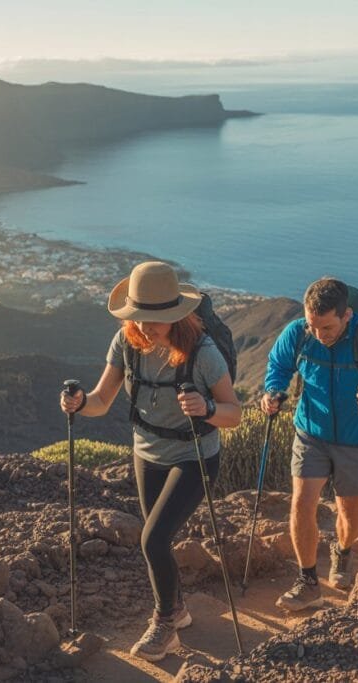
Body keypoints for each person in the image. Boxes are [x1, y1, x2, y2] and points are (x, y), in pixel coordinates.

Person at [60, 261, 242, 661]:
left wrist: (207, 408)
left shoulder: (203, 353)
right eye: (139, 317)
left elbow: (234, 413)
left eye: (154, 320)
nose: (144, 327)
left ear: (175, 317)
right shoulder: (125, 343)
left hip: (195, 456)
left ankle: (164, 624)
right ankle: (177, 611)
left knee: (153, 539)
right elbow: (101, 401)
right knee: (157, 541)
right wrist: (78, 403)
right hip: (146, 454)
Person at [261, 277, 358, 611]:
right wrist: (273, 392)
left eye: (327, 327)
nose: (318, 334)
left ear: (346, 316)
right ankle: (307, 581)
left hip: (357, 439)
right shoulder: (298, 332)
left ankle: (343, 551)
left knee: (350, 512)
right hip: (310, 433)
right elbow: (278, 366)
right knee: (302, 502)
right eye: (313, 325)